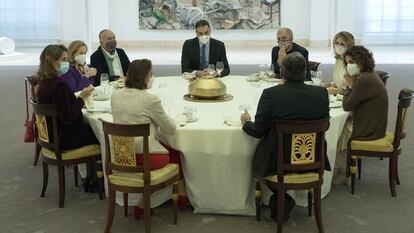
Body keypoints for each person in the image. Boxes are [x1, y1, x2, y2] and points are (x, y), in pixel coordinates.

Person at [240, 52, 330, 221]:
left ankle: (280, 199)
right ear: (305, 71)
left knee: (261, 152)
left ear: (283, 71)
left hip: (276, 163)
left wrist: (246, 122)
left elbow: (258, 131)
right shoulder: (321, 93)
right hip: (312, 159)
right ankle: (284, 200)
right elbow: (327, 125)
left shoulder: (271, 94)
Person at [111, 59, 189, 220]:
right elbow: (170, 129)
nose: (152, 77)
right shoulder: (150, 99)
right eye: (151, 74)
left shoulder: (115, 95)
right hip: (144, 157)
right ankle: (181, 196)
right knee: (175, 152)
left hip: (122, 155)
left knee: (169, 149)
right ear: (144, 78)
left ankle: (148, 203)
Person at [36, 44, 99, 190]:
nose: (66, 63)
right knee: (100, 133)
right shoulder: (59, 85)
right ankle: (95, 179)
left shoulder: (44, 82)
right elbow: (68, 117)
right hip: (65, 138)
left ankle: (88, 176)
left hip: (51, 135)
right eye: (63, 59)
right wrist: (82, 98)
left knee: (90, 128)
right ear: (52, 61)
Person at [342, 46, 388, 140]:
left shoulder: (364, 79)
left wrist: (350, 85)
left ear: (362, 61)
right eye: (347, 63)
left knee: (338, 130)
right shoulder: (370, 74)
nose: (348, 66)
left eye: (351, 62)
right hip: (376, 128)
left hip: (368, 132)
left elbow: (346, 106)